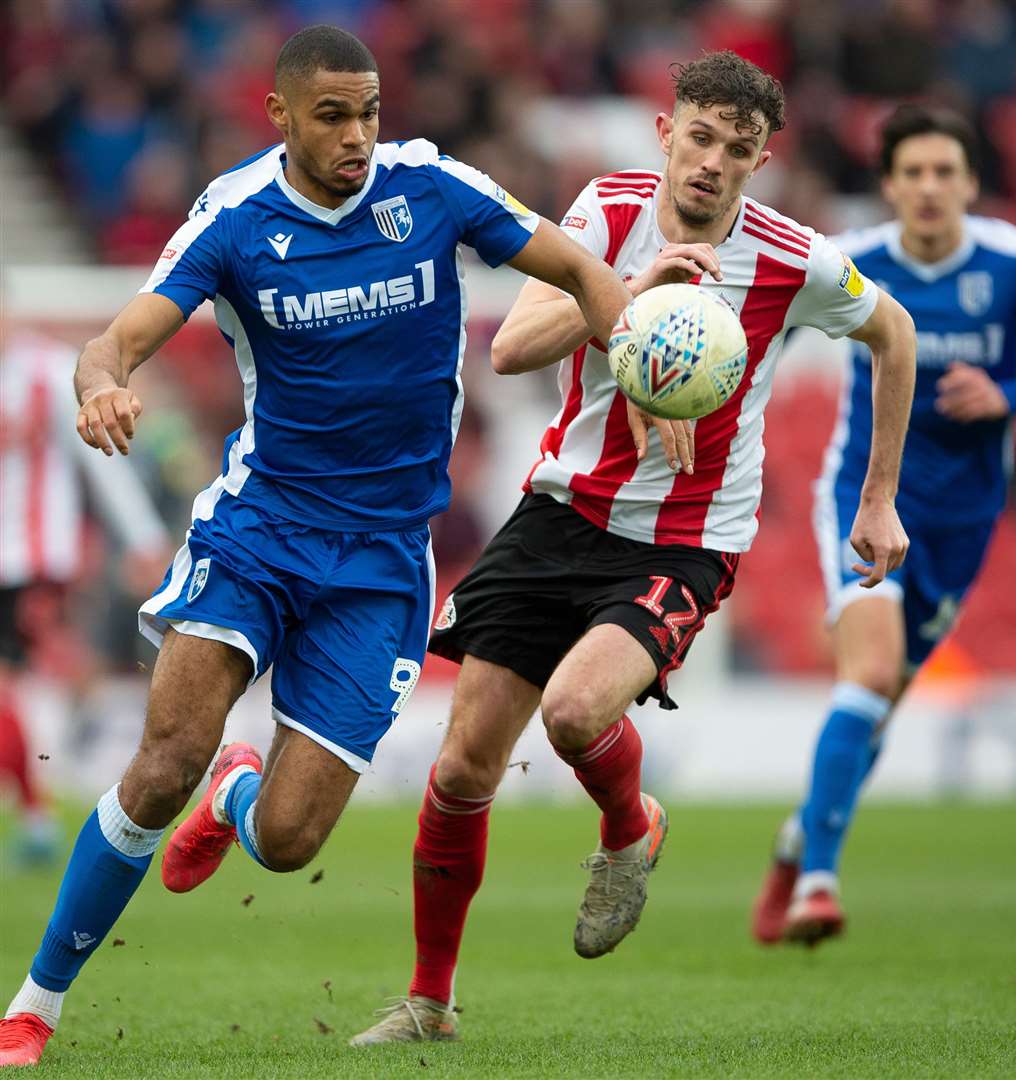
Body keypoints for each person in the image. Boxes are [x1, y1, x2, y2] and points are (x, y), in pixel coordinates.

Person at [0, 24, 640, 1069]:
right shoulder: (237, 216)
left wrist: (641, 378)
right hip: (260, 528)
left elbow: (577, 265)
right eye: (333, 115)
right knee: (163, 761)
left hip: (384, 560)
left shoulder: (433, 187)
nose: (357, 135)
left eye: (371, 111)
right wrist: (101, 384)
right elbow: (113, 339)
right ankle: (34, 1004)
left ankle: (238, 794)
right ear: (282, 115)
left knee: (289, 842)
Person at [352, 50, 915, 1047]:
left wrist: (878, 500)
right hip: (560, 512)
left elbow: (896, 330)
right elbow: (513, 347)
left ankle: (628, 825)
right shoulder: (607, 211)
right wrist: (628, 287)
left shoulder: (791, 258)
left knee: (574, 714)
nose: (712, 162)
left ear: (761, 160)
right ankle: (429, 1004)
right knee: (459, 771)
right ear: (666, 133)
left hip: (685, 541)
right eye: (698, 137)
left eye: (736, 150)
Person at [751, 104, 1016, 948]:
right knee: (867, 676)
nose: (929, 187)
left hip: (964, 521)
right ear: (889, 186)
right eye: (912, 172)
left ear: (971, 184)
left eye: (945, 171)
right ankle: (819, 887)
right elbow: (761, 338)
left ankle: (795, 845)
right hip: (862, 498)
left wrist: (1006, 398)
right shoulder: (852, 265)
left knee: (878, 705)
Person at [0, 330, 169, 869]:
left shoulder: (46, 372)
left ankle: (38, 813)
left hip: (32, 559)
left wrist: (141, 535)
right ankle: (38, 808)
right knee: (27, 682)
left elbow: (97, 456)